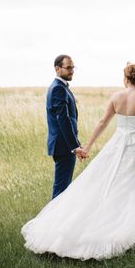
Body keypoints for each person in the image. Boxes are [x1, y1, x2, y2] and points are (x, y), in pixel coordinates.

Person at [22, 63, 135, 260]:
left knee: (109, 182)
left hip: (118, 143)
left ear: (126, 79)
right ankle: (129, 222)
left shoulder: (115, 97)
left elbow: (103, 122)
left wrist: (88, 146)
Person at [47, 54, 87, 199]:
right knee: (61, 193)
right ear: (57, 68)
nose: (72, 71)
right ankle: (51, 221)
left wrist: (76, 144)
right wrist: (74, 147)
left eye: (73, 67)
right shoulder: (58, 89)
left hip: (65, 145)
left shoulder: (61, 87)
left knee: (63, 190)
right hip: (63, 147)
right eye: (68, 67)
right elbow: (63, 120)